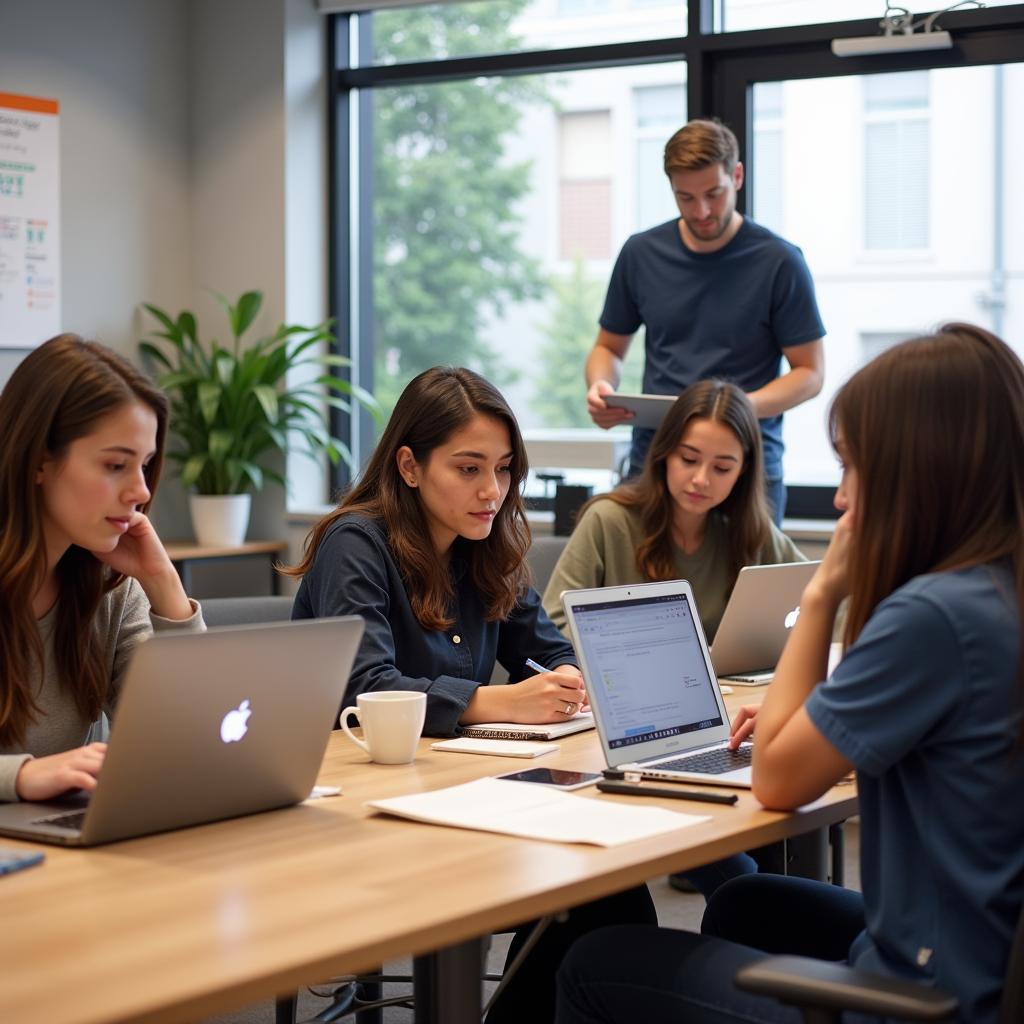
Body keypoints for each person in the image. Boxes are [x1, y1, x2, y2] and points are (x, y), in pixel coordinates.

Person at [556, 323, 1024, 1024]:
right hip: (973, 948)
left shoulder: (936, 617)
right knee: (748, 901)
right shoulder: (995, 592)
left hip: (925, 998)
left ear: (917, 470)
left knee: (595, 965)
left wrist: (822, 592)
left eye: (852, 466)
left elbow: (776, 780)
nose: (841, 499)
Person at [287, 366, 657, 1023]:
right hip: (359, 806)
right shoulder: (356, 543)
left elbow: (546, 647)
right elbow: (367, 688)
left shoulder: (484, 543)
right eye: (468, 469)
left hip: (461, 790)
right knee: (584, 888)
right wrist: (501, 701)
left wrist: (570, 677)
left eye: (505, 468)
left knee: (611, 888)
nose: (493, 491)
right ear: (408, 465)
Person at [544, 378, 805, 898]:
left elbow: (817, 597)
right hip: (618, 729)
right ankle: (756, 925)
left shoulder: (750, 532)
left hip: (719, 724)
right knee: (745, 872)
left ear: (745, 472)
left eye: (723, 467)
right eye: (688, 458)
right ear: (663, 454)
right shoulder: (610, 520)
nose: (701, 479)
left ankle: (762, 928)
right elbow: (551, 624)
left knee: (774, 821)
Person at [585, 117, 825, 523]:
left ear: (737, 175)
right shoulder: (641, 254)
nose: (702, 211)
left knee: (747, 587)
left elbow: (810, 373)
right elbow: (608, 347)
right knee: (642, 585)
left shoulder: (780, 261)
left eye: (714, 194)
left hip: (746, 464)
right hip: (657, 458)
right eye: (686, 198)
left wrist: (738, 409)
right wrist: (601, 386)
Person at [0, 334, 203, 804]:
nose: (141, 491)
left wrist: (163, 585)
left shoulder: (110, 587)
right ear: (38, 461)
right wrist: (23, 776)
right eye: (115, 465)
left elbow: (187, 741)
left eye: (145, 465)